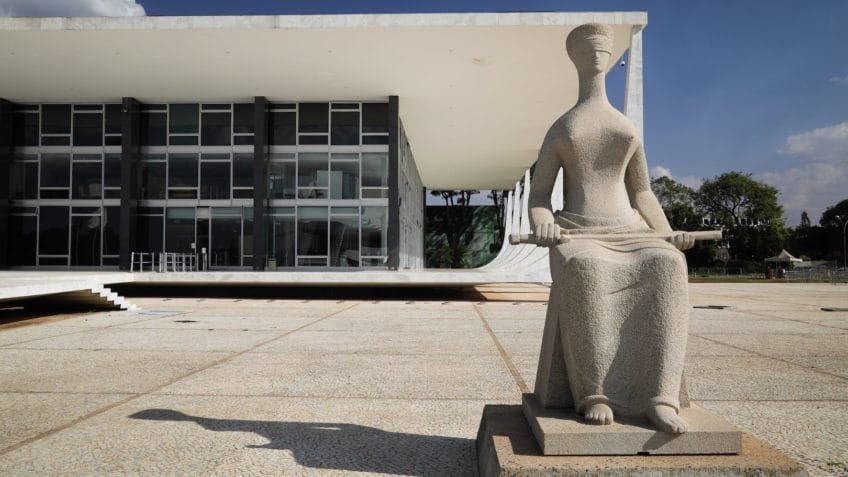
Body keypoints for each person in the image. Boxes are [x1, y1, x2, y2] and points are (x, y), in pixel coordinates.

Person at [529, 23, 694, 433]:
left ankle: (661, 396)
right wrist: (544, 225)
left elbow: (643, 192)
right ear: (575, 57)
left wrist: (667, 233)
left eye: (603, 49)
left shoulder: (626, 126)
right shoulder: (562, 127)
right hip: (578, 231)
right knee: (586, 269)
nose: (597, 54)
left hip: (631, 230)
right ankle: (595, 392)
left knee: (668, 266)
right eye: (588, 49)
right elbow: (539, 196)